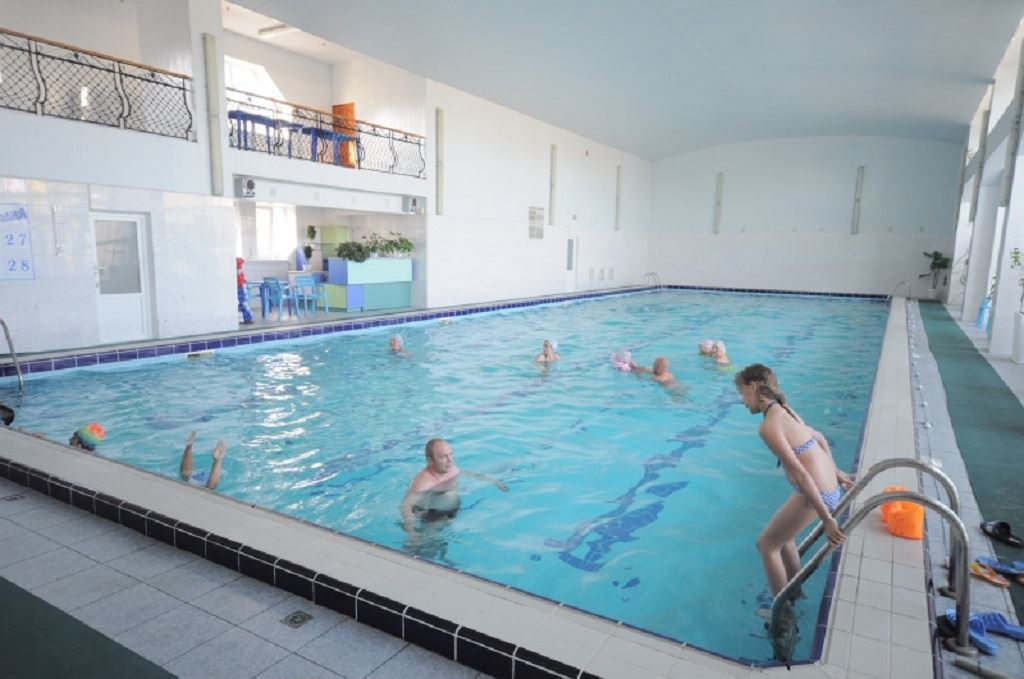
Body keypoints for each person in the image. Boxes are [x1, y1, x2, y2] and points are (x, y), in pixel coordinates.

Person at [734, 364, 854, 599]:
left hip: (816, 494)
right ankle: (795, 592)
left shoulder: (769, 427)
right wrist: (836, 471)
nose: (741, 400)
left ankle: (783, 614)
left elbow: (801, 473)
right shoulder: (786, 410)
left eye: (742, 392)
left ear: (754, 386)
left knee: (766, 545)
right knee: (785, 539)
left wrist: (827, 519)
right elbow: (819, 438)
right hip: (828, 488)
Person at [399, 438, 508, 539]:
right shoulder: (423, 482)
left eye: (451, 454)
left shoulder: (450, 468)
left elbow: (470, 474)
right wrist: (411, 532)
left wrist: (494, 481)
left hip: (449, 510)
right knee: (428, 543)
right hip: (432, 514)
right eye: (443, 457)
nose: (450, 460)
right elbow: (406, 506)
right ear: (430, 461)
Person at [236, 257, 254, 325]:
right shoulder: (239, 272)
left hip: (241, 287)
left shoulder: (238, 272)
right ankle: (247, 318)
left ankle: (248, 319)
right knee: (243, 303)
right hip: (242, 286)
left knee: (243, 303)